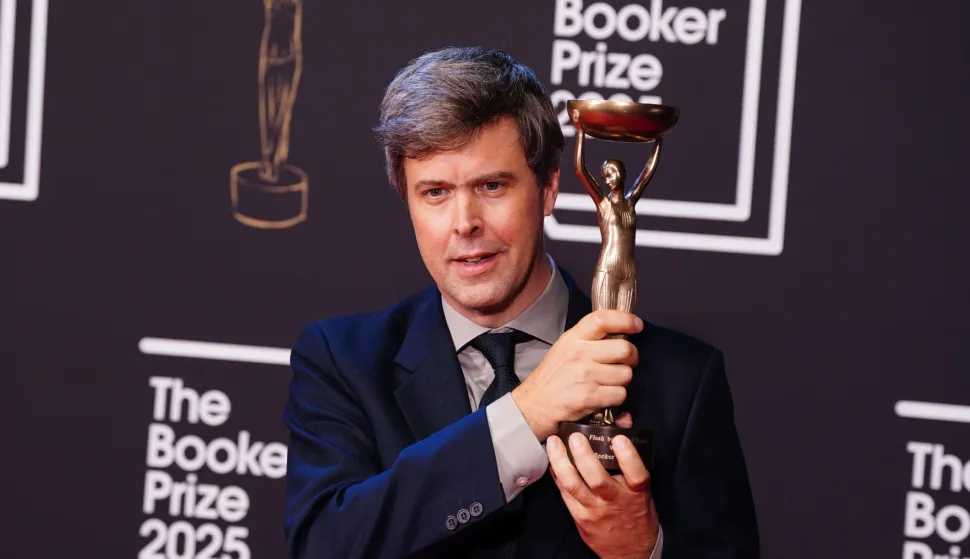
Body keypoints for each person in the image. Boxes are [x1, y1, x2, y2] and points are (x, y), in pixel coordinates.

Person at [282, 46, 760, 558]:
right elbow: (324, 546)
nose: (464, 223)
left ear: (548, 187)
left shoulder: (679, 380)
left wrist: (644, 549)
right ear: (408, 201)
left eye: (492, 186)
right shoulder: (343, 361)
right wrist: (525, 414)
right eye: (435, 192)